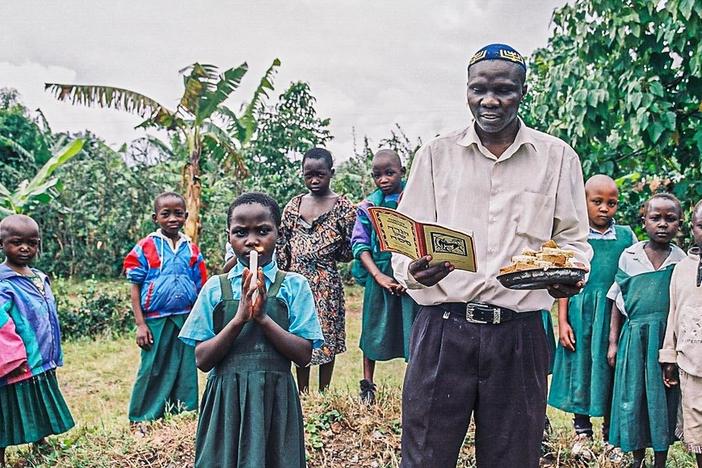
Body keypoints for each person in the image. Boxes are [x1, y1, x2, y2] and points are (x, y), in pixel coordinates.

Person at [391, 43, 592, 467]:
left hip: (518, 334)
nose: (489, 100)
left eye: (503, 89)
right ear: (466, 90)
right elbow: (405, 242)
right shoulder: (435, 155)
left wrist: (570, 273)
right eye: (478, 89)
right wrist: (413, 271)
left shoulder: (557, 158)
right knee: (425, 455)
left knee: (514, 457)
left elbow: (574, 240)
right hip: (443, 328)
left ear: (522, 91)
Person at [178, 192, 324, 468]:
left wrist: (263, 319)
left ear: (279, 234)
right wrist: (238, 319)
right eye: (240, 232)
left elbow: (304, 355)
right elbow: (203, 360)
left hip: (275, 402)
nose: (252, 241)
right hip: (226, 404)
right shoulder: (215, 288)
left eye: (263, 231)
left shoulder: (295, 286)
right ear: (229, 237)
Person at [548, 175, 636, 457]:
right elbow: (564, 280)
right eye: (597, 202)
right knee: (581, 368)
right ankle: (582, 434)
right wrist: (562, 322)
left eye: (611, 203)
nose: (604, 209)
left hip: (613, 316)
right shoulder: (575, 236)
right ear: (583, 202)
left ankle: (613, 437)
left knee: (612, 370)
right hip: (581, 313)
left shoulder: (626, 236)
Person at [607, 193, 685, 468]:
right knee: (634, 395)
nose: (662, 224)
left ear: (680, 224)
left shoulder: (681, 260)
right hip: (635, 339)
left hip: (665, 340)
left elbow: (682, 306)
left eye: (670, 219)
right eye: (655, 218)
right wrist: (613, 342)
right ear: (644, 222)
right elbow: (617, 301)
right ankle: (637, 457)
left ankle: (660, 459)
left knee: (662, 399)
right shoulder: (629, 256)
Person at [123, 192, 207, 423]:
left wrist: (201, 321)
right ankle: (141, 417)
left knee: (185, 366)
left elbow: (201, 285)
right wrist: (141, 324)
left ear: (186, 216)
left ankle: (185, 413)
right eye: (165, 214)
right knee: (152, 367)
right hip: (155, 319)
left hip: (185, 318)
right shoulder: (145, 247)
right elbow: (135, 286)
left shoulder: (191, 249)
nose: (172, 219)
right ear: (155, 218)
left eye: (178, 214)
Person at [277, 147, 356, 393]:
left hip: (326, 283)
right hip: (296, 282)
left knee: (326, 335)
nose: (314, 180)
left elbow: (351, 246)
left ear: (331, 173)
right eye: (308, 175)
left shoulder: (343, 207)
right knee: (301, 333)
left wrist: (325, 256)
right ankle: (303, 391)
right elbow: (282, 241)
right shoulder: (294, 205)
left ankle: (323, 390)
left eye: (319, 174)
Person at [0, 215, 74, 465]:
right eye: (16, 242)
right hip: (18, 360)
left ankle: (40, 442)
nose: (25, 248)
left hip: (42, 357)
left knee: (41, 399)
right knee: (7, 409)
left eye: (31, 243)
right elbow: (1, 323)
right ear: (2, 244)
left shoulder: (39, 277)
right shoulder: (2, 282)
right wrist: (13, 357)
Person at [351, 149, 419, 404]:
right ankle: (367, 386)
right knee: (372, 329)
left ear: (402, 172)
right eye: (377, 175)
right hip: (378, 276)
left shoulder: (413, 199)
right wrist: (378, 276)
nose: (383, 180)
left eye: (389, 173)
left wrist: (408, 275)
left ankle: (414, 387)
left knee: (412, 330)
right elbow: (359, 245)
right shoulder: (368, 206)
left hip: (411, 276)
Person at [659, 199, 702, 467]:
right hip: (691, 362)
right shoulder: (682, 269)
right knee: (696, 423)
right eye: (701, 226)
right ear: (692, 228)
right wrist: (669, 358)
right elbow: (673, 313)